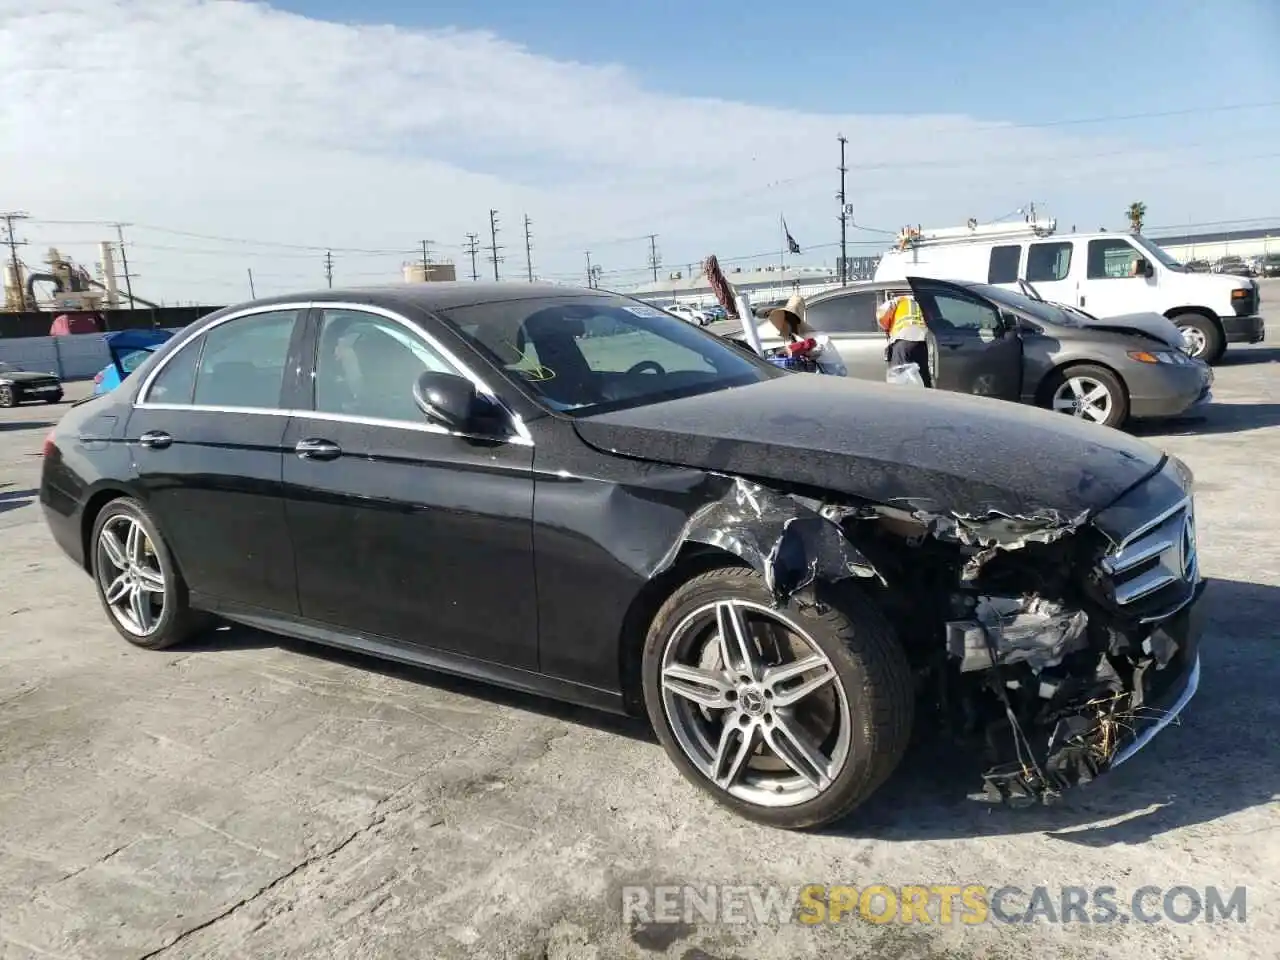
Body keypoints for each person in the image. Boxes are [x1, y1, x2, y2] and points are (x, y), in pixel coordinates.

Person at [877, 293, 933, 387]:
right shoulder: (924, 302)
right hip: (923, 341)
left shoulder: (896, 301)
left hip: (902, 341)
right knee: (923, 377)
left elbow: (882, 319)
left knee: (899, 379)